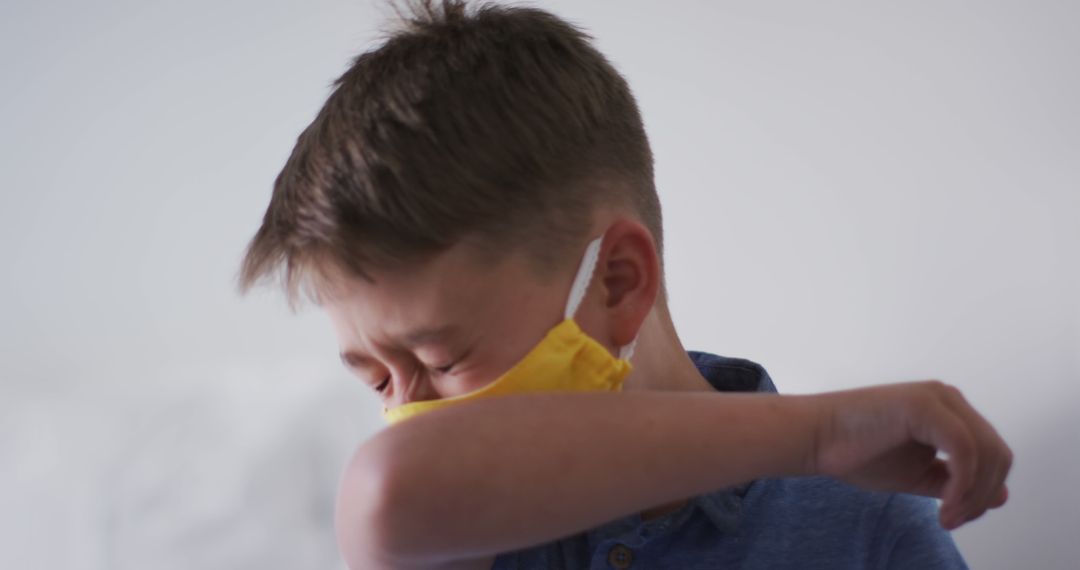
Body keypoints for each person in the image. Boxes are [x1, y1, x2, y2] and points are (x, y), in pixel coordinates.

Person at [237, 1, 1012, 568]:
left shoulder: (864, 528)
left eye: (442, 360)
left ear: (616, 280)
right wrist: (818, 434)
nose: (410, 411)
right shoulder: (465, 534)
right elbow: (391, 490)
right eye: (377, 377)